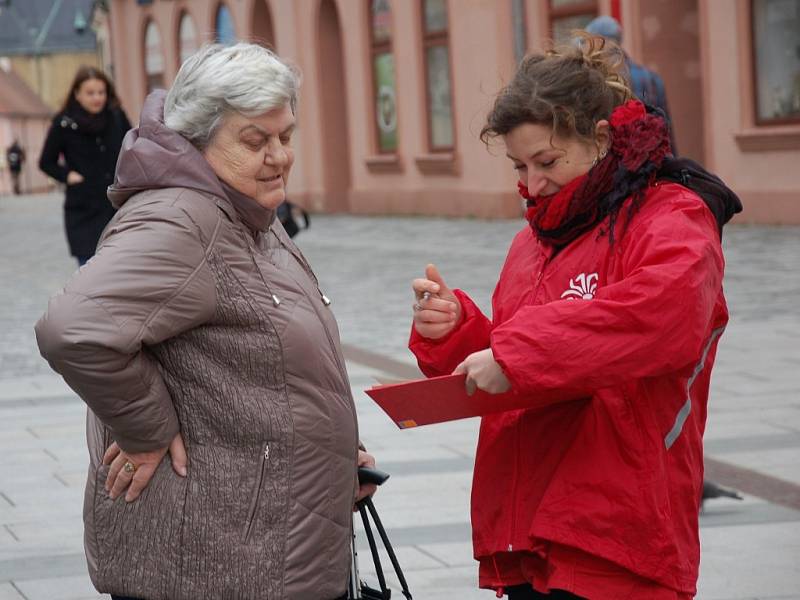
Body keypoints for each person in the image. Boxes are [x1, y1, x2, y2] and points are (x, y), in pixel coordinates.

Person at [35, 43, 376, 600]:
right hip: (219, 560)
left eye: (286, 136)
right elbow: (73, 329)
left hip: (261, 542)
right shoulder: (184, 220)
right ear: (197, 138)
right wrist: (146, 429)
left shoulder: (243, 207)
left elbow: (259, 360)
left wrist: (334, 451)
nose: (280, 155)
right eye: (255, 140)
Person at [409, 34, 739, 600]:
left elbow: (661, 319)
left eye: (547, 161)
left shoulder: (672, 216)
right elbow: (529, 356)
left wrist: (514, 354)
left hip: (618, 525)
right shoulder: (533, 240)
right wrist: (458, 333)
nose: (532, 185)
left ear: (603, 138)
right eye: (519, 165)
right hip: (530, 524)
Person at [39, 66, 131, 266]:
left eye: (101, 92)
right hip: (84, 211)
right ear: (77, 94)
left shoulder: (116, 117)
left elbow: (133, 147)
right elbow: (46, 162)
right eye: (90, 93)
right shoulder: (64, 124)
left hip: (117, 207)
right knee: (91, 275)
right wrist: (68, 175)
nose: (97, 98)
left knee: (122, 271)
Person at [585, 15, 677, 153]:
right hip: (652, 159)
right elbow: (666, 130)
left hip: (618, 161)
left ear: (599, 41)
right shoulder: (652, 78)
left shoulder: (599, 80)